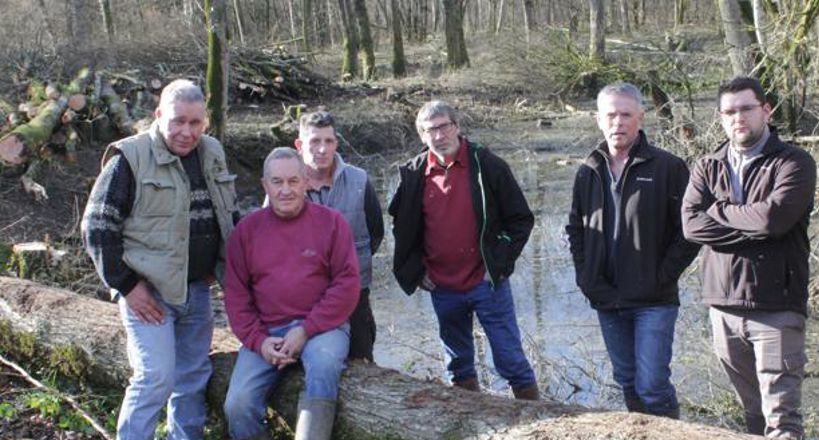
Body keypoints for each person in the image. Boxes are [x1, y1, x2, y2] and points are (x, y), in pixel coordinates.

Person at [82, 79, 236, 440]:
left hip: (196, 290)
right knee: (155, 376)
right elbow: (96, 228)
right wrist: (128, 286)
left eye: (195, 123)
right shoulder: (130, 158)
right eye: (178, 121)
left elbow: (228, 215)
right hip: (148, 294)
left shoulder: (212, 152)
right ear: (158, 116)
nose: (186, 132)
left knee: (193, 377)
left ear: (205, 122)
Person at [224, 147, 361, 440]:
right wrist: (259, 341)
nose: (286, 189)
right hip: (266, 332)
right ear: (265, 185)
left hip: (322, 327)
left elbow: (347, 284)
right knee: (238, 404)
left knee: (324, 365)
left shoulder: (331, 223)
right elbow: (236, 298)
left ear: (306, 182)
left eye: (293, 181)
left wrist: (306, 330)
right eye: (277, 182)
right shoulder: (247, 232)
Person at [681, 76, 817, 440]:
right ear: (720, 118)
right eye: (729, 112)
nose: (737, 118)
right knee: (753, 411)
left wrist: (719, 209)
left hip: (776, 305)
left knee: (782, 420)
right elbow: (691, 226)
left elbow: (772, 220)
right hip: (723, 305)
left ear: (766, 111)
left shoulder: (794, 162)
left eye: (746, 109)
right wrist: (750, 224)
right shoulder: (707, 166)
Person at [388, 100, 539, 399]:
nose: (438, 135)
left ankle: (539, 416)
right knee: (458, 366)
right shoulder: (413, 174)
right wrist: (417, 270)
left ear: (456, 126)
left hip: (487, 282)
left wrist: (497, 262)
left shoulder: (488, 165)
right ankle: (469, 419)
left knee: (510, 360)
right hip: (442, 286)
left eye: (444, 127)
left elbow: (521, 220)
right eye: (430, 130)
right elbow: (402, 227)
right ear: (421, 136)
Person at [566, 82, 699, 418]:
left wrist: (662, 276)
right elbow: (576, 229)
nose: (618, 122)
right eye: (611, 115)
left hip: (653, 299)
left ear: (641, 117)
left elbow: (690, 232)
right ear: (599, 120)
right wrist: (587, 278)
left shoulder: (668, 168)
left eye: (626, 115)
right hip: (606, 297)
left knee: (652, 385)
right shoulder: (588, 170)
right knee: (626, 380)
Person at [293, 110, 383, 361]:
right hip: (301, 296)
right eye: (314, 141)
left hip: (355, 293)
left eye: (329, 141)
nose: (322, 149)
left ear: (336, 143)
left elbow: (376, 233)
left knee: (361, 362)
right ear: (299, 145)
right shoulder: (284, 183)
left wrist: (349, 264)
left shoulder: (359, 180)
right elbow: (268, 242)